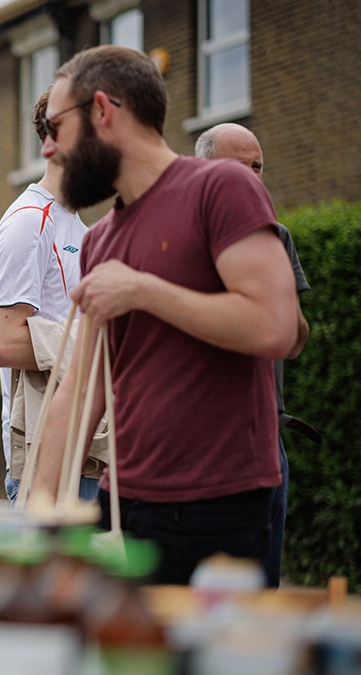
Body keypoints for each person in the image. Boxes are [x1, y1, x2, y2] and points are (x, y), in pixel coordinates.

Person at [29, 46, 299, 584]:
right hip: (123, 501)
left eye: (57, 127)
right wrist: (37, 518)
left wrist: (145, 291)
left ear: (104, 110)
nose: (50, 148)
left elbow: (275, 325)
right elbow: (80, 388)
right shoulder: (101, 240)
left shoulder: (221, 187)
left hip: (218, 506)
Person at [194, 122, 315, 587]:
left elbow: (295, 339)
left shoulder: (276, 237)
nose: (251, 178)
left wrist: (274, 284)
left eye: (257, 167)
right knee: (201, 588)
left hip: (266, 436)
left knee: (261, 586)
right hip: (201, 441)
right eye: (237, 167)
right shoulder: (185, 234)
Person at [0, 88, 102, 504]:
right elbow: (3, 342)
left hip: (87, 453)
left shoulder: (80, 227)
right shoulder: (30, 223)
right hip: (45, 466)